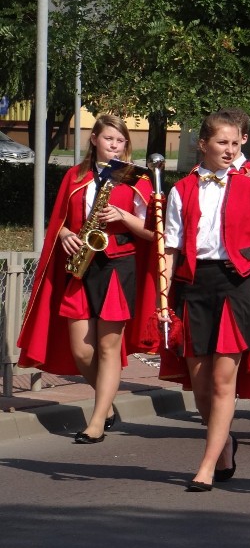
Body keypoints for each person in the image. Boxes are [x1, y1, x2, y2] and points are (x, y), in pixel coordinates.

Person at [160, 111, 250, 490]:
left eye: (236, 143)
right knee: (200, 385)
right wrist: (162, 297)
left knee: (224, 383)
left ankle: (205, 467)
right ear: (202, 144)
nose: (230, 150)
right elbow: (170, 248)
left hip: (235, 284)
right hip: (193, 284)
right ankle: (224, 446)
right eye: (222, 142)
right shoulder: (181, 190)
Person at [18, 115, 156, 444]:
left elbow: (153, 233)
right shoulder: (75, 175)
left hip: (117, 267)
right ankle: (106, 405)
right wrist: (64, 233)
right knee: (82, 352)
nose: (113, 145)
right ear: (94, 139)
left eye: (120, 141)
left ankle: (96, 421)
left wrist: (122, 216)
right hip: (81, 266)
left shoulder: (137, 179)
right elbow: (59, 222)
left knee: (109, 348)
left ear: (126, 145)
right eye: (108, 138)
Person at [218, 107, 250, 176]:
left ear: (244, 138)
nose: (229, 150)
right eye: (222, 142)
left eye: (234, 142)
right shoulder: (205, 170)